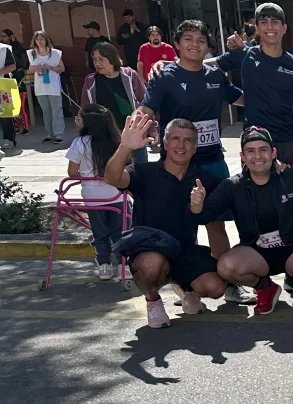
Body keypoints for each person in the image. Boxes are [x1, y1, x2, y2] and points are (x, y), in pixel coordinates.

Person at [137, 20, 251, 304]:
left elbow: (240, 99)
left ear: (208, 46)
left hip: (212, 161)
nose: (195, 44)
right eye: (188, 39)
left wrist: (276, 98)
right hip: (176, 166)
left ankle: (228, 283)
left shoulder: (215, 75)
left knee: (216, 224)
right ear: (176, 44)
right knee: (180, 226)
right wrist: (131, 132)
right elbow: (146, 108)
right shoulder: (164, 76)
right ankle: (184, 281)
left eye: (201, 40)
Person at [104, 113, 226, 328]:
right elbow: (112, 178)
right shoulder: (145, 172)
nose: (181, 145)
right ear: (165, 143)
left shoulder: (205, 180)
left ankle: (185, 287)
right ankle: (153, 299)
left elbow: (216, 227)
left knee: (215, 288)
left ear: (195, 147)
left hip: (185, 250)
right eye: (175, 139)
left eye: (188, 140)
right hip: (150, 249)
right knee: (152, 266)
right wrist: (125, 147)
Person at [191, 126, 293, 314]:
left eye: (263, 150)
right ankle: (265, 288)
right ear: (242, 156)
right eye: (250, 151)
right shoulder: (232, 186)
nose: (257, 156)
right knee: (226, 267)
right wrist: (196, 205)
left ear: (274, 153)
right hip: (256, 253)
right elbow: (205, 215)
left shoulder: (292, 176)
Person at [216, 2, 293, 167]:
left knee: (289, 193)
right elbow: (202, 66)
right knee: (252, 192)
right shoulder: (244, 56)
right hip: (253, 142)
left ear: (284, 28)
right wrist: (167, 64)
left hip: (285, 142)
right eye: (264, 22)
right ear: (257, 28)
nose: (270, 27)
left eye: (275, 22)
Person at [66, 104, 124, 280]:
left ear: (88, 123)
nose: (76, 121)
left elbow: (71, 172)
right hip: (117, 194)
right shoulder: (117, 141)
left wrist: (84, 175)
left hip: (93, 197)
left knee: (100, 233)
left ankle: (105, 265)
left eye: (78, 118)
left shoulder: (79, 143)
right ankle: (124, 264)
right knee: (120, 231)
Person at [81, 42, 148, 165]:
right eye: (94, 59)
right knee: (113, 175)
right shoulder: (91, 81)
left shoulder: (129, 75)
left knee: (140, 172)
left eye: (101, 59)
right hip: (105, 138)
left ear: (112, 58)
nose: (97, 63)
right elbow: (85, 109)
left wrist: (152, 127)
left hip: (132, 133)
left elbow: (146, 102)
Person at [26, 31, 65, 143]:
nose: (40, 41)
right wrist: (35, 68)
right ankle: (49, 133)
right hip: (40, 86)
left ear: (46, 40)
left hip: (53, 85)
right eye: (37, 39)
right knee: (46, 111)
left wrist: (50, 67)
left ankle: (59, 134)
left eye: (42, 39)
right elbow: (30, 70)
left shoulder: (55, 53)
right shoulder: (32, 54)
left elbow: (62, 68)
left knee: (56, 110)